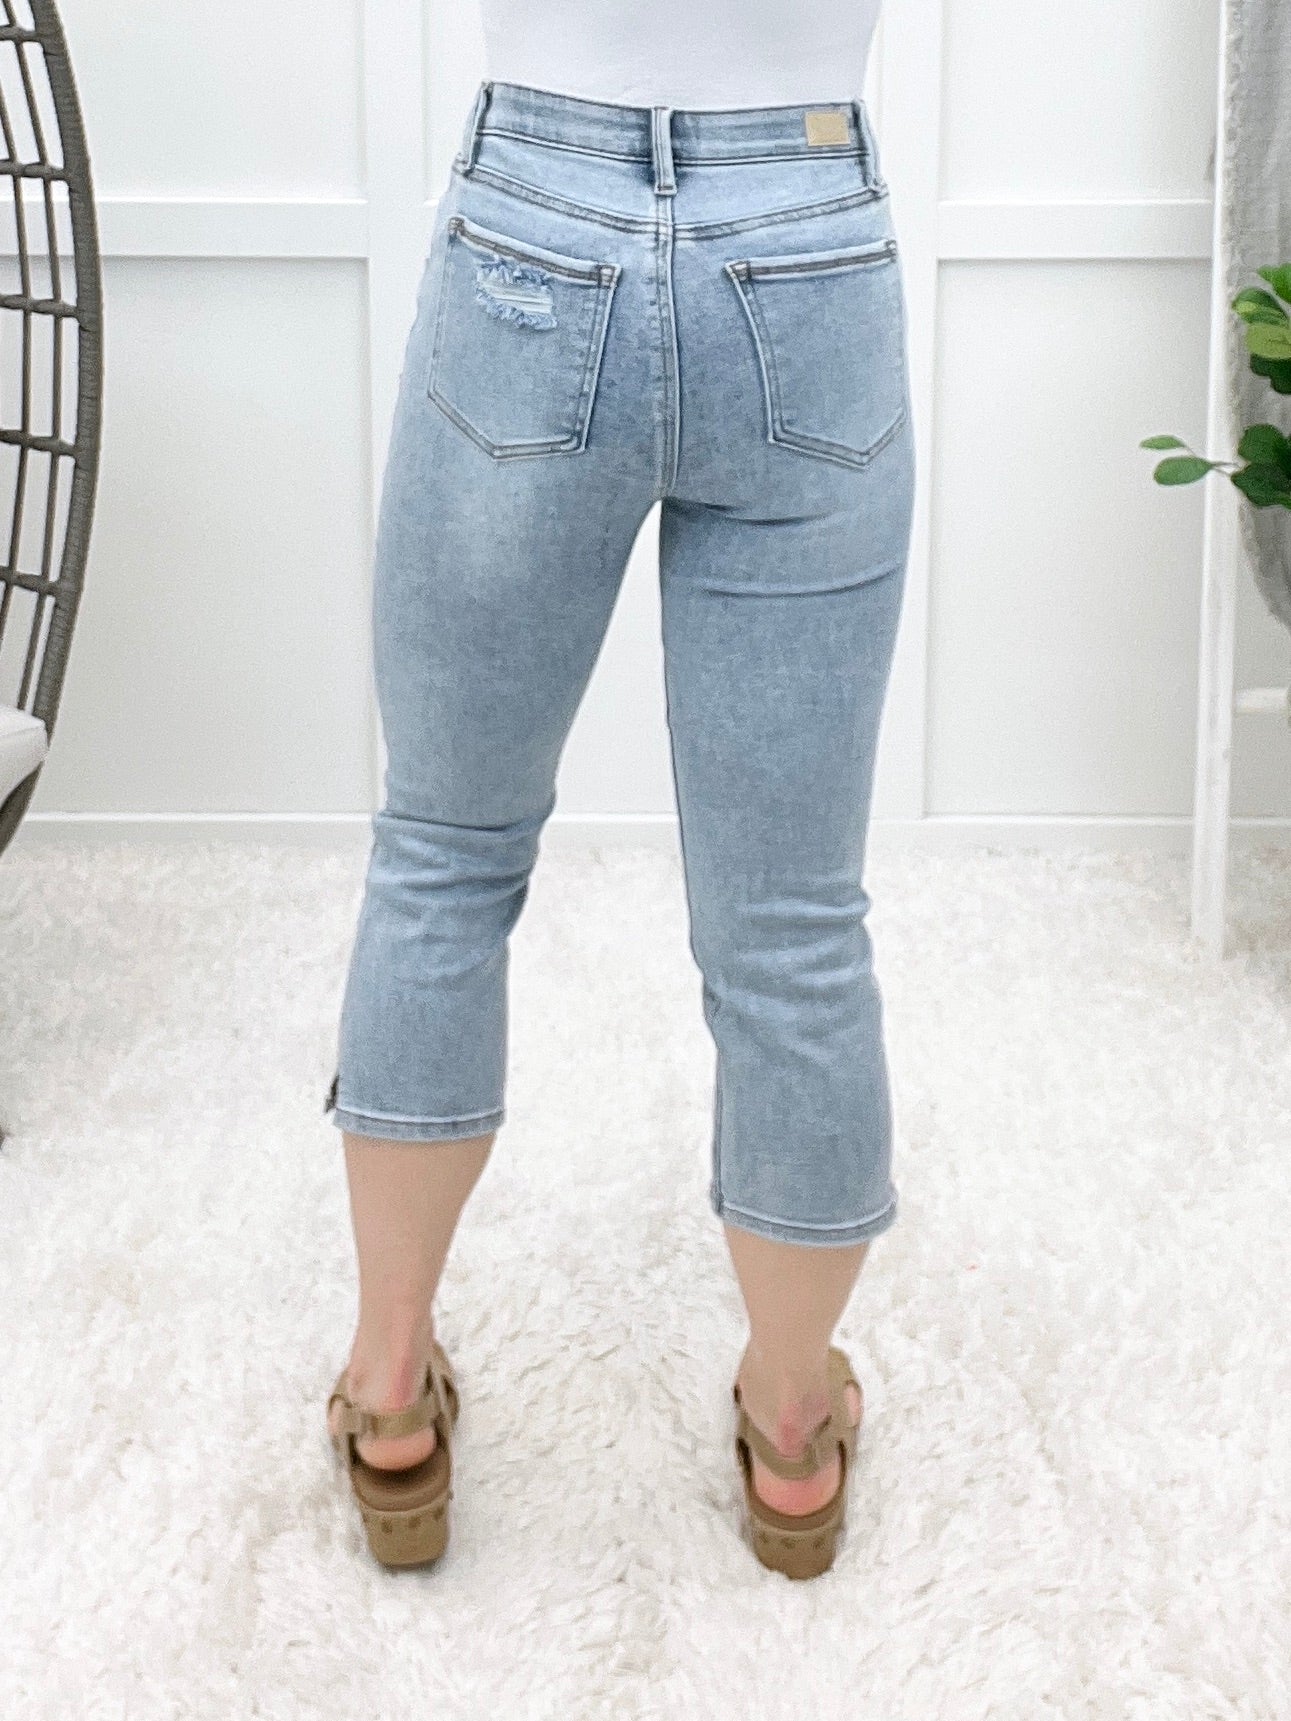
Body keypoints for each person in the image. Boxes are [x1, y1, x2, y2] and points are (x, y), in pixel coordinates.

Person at [323, 0, 912, 1580]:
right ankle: (794, 1417)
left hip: (540, 202)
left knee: (444, 852)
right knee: (791, 923)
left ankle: (391, 1386)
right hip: (804, 216)